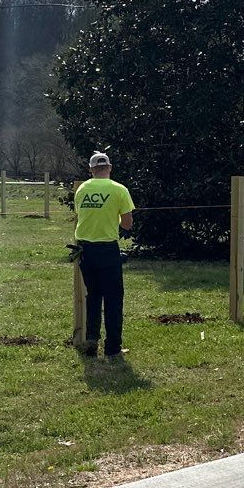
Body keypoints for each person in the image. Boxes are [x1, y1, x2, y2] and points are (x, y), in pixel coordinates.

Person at [74, 151, 135, 359]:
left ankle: (92, 337)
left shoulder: (82, 189)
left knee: (93, 295)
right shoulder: (119, 190)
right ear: (109, 167)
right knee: (113, 299)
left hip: (85, 249)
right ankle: (113, 348)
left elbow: (81, 215)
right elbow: (127, 223)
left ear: (91, 170)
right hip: (108, 249)